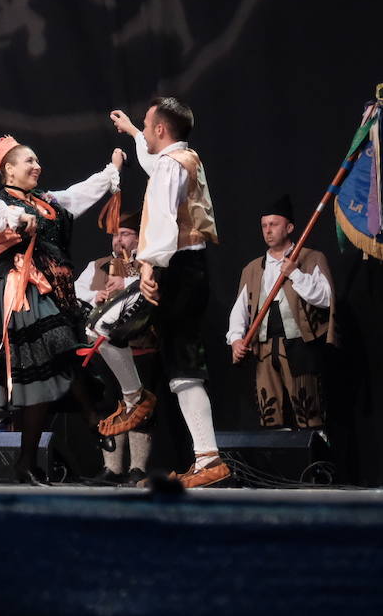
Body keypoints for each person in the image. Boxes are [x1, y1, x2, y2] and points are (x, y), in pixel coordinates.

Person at [0, 136, 122, 483]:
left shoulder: (48, 201)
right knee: (59, 349)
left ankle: (26, 462)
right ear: (9, 169)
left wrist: (112, 171)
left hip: (54, 291)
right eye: (29, 161)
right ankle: (93, 419)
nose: (37, 166)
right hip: (22, 290)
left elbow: (78, 194)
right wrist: (15, 216)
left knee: (45, 378)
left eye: (37, 161)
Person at [100, 98, 227, 487]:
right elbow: (154, 166)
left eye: (146, 124)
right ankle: (208, 458)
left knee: (103, 329)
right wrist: (133, 132)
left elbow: (163, 218)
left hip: (173, 271)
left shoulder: (172, 166)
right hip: (188, 270)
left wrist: (148, 266)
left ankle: (137, 400)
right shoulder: (182, 160)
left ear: (161, 129)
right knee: (182, 368)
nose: (143, 128)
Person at [227, 195, 335, 429]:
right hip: (264, 349)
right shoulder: (252, 269)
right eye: (264, 225)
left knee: (309, 414)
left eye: (274, 224)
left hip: (300, 346)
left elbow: (326, 299)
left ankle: (315, 452)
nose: (268, 230)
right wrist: (236, 340)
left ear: (289, 228)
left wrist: (295, 273)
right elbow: (239, 310)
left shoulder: (311, 258)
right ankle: (275, 452)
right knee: (269, 415)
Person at [77, 212, 157, 484]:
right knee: (109, 404)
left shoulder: (148, 264)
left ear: (137, 237)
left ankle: (138, 468)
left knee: (138, 404)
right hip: (104, 350)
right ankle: (112, 468)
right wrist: (95, 296)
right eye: (115, 234)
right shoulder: (100, 265)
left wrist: (128, 283)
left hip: (140, 347)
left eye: (124, 234)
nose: (118, 240)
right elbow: (75, 291)